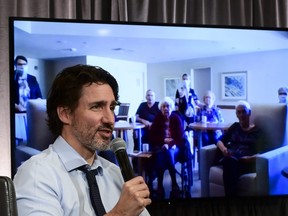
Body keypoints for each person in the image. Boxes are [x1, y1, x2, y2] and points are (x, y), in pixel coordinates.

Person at [13, 64, 151, 216]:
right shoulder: (37, 174)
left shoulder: (115, 173)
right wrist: (121, 213)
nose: (110, 119)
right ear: (65, 114)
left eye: (111, 107)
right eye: (97, 107)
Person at [215, 100, 263, 197]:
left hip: (247, 162)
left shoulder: (257, 131)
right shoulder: (235, 127)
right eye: (238, 112)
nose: (241, 115)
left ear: (249, 113)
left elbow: (265, 151)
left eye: (244, 111)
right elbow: (219, 140)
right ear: (236, 114)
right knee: (229, 162)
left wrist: (250, 159)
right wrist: (224, 149)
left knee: (228, 163)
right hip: (231, 158)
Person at [149, 97, 185, 199]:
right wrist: (163, 141)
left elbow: (180, 137)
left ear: (171, 107)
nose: (166, 108)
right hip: (161, 146)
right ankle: (172, 185)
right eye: (163, 106)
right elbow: (152, 135)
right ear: (161, 108)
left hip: (175, 146)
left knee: (168, 153)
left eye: (168, 106)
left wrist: (169, 144)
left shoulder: (176, 118)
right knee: (161, 155)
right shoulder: (158, 118)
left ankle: (162, 184)